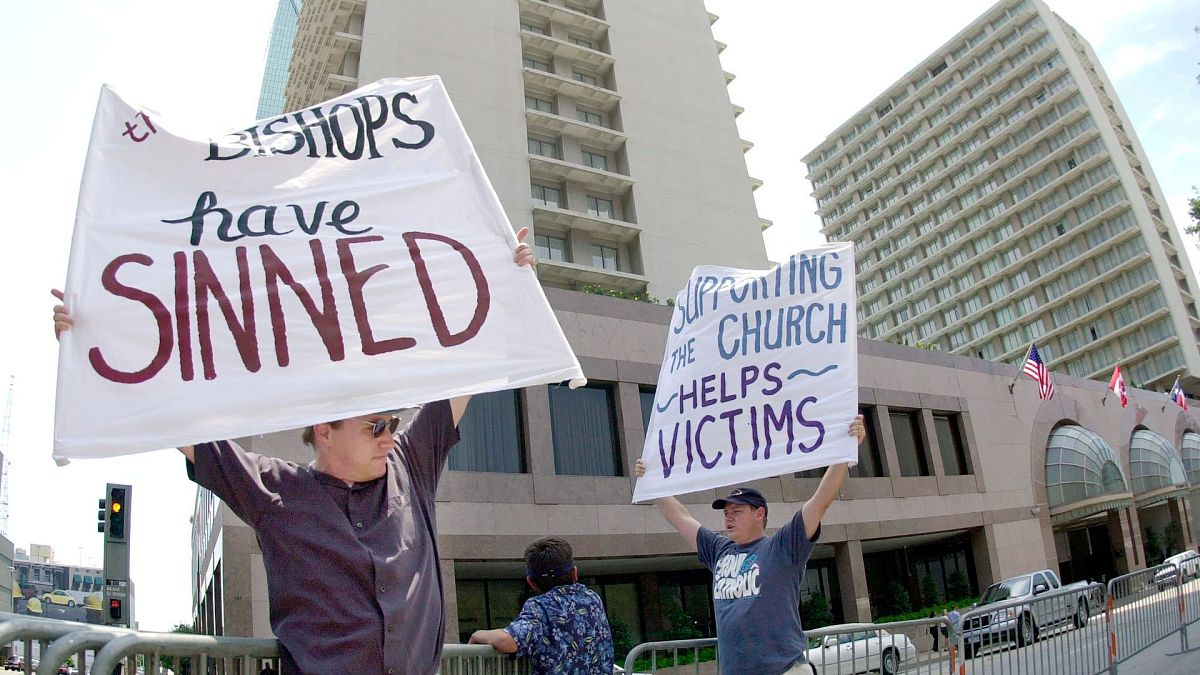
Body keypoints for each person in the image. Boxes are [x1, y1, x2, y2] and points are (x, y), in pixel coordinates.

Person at [52, 229, 538, 675]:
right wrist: (96, 335)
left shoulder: (411, 464)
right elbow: (169, 415)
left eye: (393, 422)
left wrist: (508, 279)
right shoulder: (273, 490)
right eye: (376, 426)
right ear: (324, 430)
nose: (390, 435)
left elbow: (472, 367)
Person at [634, 415, 866, 675]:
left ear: (760, 514)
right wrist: (653, 483)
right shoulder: (718, 549)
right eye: (726, 512)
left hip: (784, 669)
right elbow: (681, 517)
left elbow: (821, 500)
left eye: (737, 510)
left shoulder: (782, 547)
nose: (728, 516)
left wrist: (845, 454)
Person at [468, 537, 613, 674]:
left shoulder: (540, 607)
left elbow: (508, 641)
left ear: (531, 582)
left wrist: (477, 635)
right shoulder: (593, 599)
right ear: (575, 573)